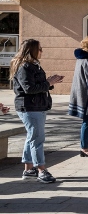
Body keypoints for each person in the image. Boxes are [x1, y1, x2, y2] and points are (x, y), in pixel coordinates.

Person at [11, 39, 63, 183]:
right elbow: (28, 89)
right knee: (37, 139)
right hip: (29, 107)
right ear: (32, 50)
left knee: (32, 137)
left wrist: (50, 82)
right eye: (40, 49)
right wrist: (48, 83)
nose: (42, 51)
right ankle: (41, 170)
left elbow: (36, 85)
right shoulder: (24, 67)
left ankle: (28, 169)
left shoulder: (33, 65)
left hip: (37, 106)